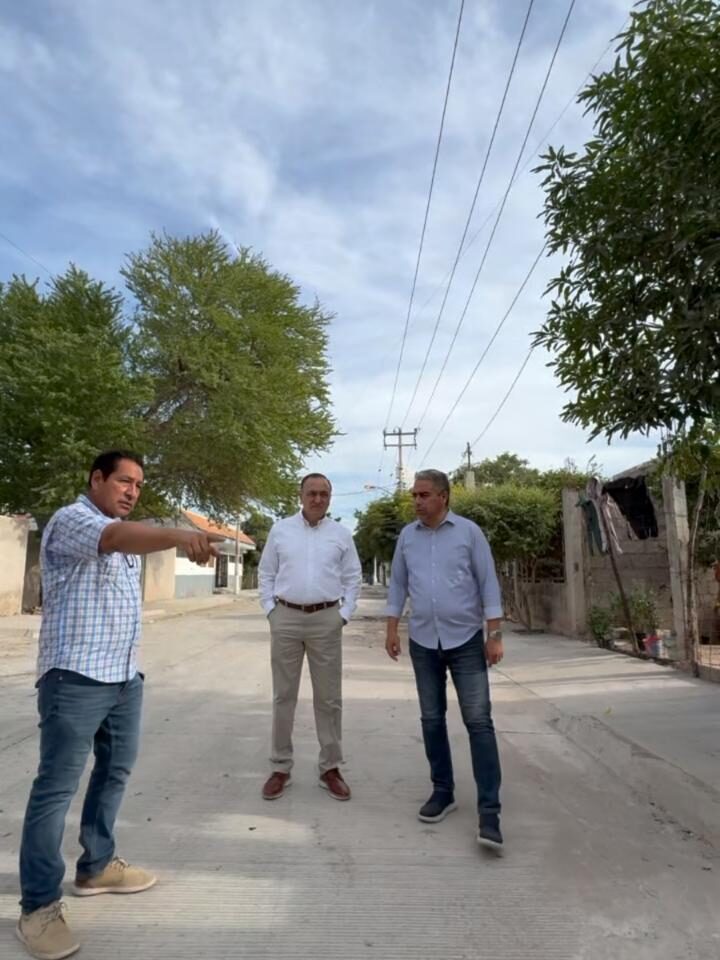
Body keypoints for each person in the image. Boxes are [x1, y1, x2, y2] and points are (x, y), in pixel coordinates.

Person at [17, 450, 225, 960]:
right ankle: (38, 906)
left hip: (123, 676)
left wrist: (181, 539)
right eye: (124, 481)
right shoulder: (75, 520)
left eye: (139, 485)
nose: (132, 491)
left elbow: (129, 541)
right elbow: (114, 539)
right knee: (55, 788)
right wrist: (183, 536)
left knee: (116, 772)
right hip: (75, 677)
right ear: (97, 479)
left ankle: (97, 865)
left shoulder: (124, 531)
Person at [385, 469, 505, 849]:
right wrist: (391, 629)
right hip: (423, 640)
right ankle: (443, 791)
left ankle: (489, 811)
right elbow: (398, 585)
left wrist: (495, 634)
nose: (417, 501)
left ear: (444, 497)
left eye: (424, 495)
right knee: (432, 719)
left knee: (478, 721)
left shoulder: (468, 533)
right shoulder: (407, 536)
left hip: (467, 640)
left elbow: (488, 583)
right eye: (414, 495)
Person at [258, 473, 362, 801]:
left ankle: (330, 767)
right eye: (312, 493)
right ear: (300, 496)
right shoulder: (280, 530)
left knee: (329, 699)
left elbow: (353, 576)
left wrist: (343, 615)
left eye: (324, 494)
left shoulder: (341, 535)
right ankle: (280, 766)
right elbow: (266, 572)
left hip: (326, 619)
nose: (318, 499)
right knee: (283, 696)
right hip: (286, 618)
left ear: (331, 498)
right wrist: (271, 611)